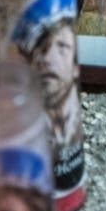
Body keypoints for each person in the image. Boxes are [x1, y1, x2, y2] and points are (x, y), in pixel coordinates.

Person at [23, 17, 83, 173]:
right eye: (42, 49)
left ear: (76, 67)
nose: (48, 59)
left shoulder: (74, 123)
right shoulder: (26, 128)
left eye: (62, 47)